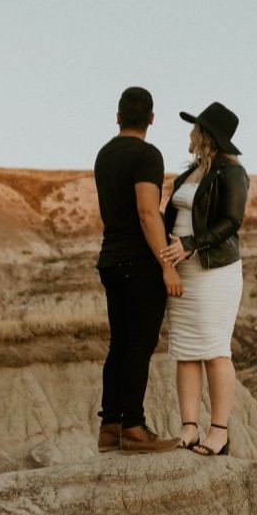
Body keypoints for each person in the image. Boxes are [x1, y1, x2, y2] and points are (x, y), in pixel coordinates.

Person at [94, 87, 183, 453]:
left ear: (117, 117)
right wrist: (167, 266)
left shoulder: (104, 154)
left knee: (119, 345)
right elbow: (148, 213)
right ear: (151, 118)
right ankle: (133, 426)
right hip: (139, 263)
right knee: (139, 346)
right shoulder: (147, 155)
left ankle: (109, 426)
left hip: (111, 260)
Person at [158, 101, 249, 457]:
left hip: (215, 271)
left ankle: (220, 432)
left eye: (194, 127)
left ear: (206, 134)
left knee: (214, 350)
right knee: (185, 349)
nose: (189, 133)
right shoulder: (191, 172)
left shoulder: (231, 172)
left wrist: (190, 245)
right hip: (183, 269)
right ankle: (189, 429)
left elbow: (231, 221)